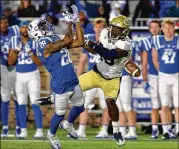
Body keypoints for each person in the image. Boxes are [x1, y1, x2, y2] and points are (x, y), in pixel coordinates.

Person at [37, 15, 140, 146]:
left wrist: (93, 46)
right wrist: (86, 45)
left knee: (111, 103)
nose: (114, 30)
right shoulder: (104, 33)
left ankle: (116, 131)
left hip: (112, 78)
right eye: (113, 26)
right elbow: (96, 51)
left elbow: (109, 54)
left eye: (118, 28)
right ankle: (52, 99)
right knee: (72, 87)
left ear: (125, 31)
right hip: (96, 73)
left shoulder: (125, 44)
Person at [28, 5, 85, 149]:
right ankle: (51, 134)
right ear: (36, 32)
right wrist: (70, 23)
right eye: (41, 25)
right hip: (61, 84)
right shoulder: (42, 44)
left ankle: (69, 124)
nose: (46, 25)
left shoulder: (52, 37)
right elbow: (66, 40)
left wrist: (77, 21)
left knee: (80, 107)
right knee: (59, 114)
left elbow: (79, 41)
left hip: (72, 79)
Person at [7, 21, 43, 139]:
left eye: (27, 27)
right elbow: (10, 62)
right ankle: (23, 130)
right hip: (19, 75)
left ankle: (39, 131)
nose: (24, 29)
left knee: (35, 102)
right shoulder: (14, 41)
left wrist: (30, 52)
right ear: (20, 29)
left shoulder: (36, 41)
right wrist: (16, 52)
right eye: (22, 27)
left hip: (33, 74)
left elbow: (39, 63)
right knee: (21, 103)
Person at [76, 18, 110, 138]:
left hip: (105, 77)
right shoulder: (89, 39)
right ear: (94, 28)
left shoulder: (110, 40)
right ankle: (81, 130)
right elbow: (82, 60)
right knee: (84, 103)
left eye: (101, 27)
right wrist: (78, 78)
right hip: (91, 76)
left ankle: (104, 130)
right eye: (97, 27)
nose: (99, 29)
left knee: (105, 104)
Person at [152, 19, 179, 139]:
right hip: (163, 76)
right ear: (162, 29)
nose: (168, 30)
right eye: (166, 28)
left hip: (177, 75)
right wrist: (162, 71)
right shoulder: (157, 40)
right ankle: (166, 130)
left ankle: (178, 130)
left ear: (174, 28)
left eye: (170, 28)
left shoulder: (178, 40)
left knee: (178, 105)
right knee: (164, 105)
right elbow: (155, 59)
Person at [139, 19, 163, 139]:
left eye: (156, 27)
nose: (154, 29)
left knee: (168, 104)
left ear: (160, 28)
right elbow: (144, 63)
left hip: (170, 75)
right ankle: (155, 129)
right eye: (152, 27)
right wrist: (144, 80)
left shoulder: (168, 40)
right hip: (154, 76)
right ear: (149, 29)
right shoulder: (146, 42)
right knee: (155, 104)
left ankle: (168, 128)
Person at [0, 16, 20, 138]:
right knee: (5, 98)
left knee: (19, 98)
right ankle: (5, 128)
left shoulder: (15, 30)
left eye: (6, 22)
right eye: (1, 23)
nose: (4, 24)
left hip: (17, 68)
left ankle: (19, 127)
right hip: (3, 69)